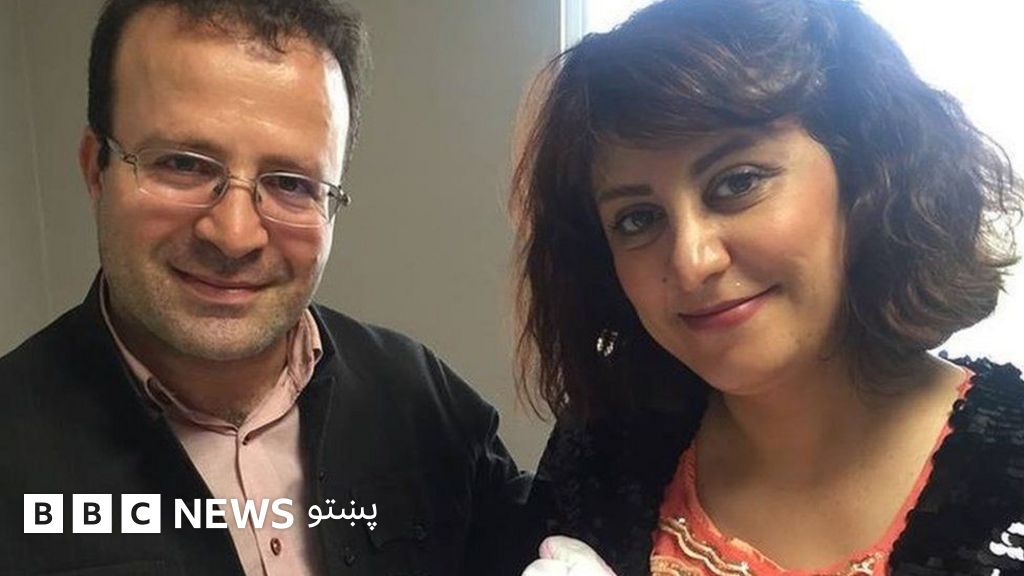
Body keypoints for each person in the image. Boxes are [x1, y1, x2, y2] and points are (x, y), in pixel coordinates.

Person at [0, 1, 529, 575]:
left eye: (291, 184)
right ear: (95, 169)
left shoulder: (422, 403)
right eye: (183, 164)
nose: (234, 236)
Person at [510, 0, 1024, 574]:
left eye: (737, 182)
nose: (692, 262)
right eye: (638, 219)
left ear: (866, 174)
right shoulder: (599, 455)